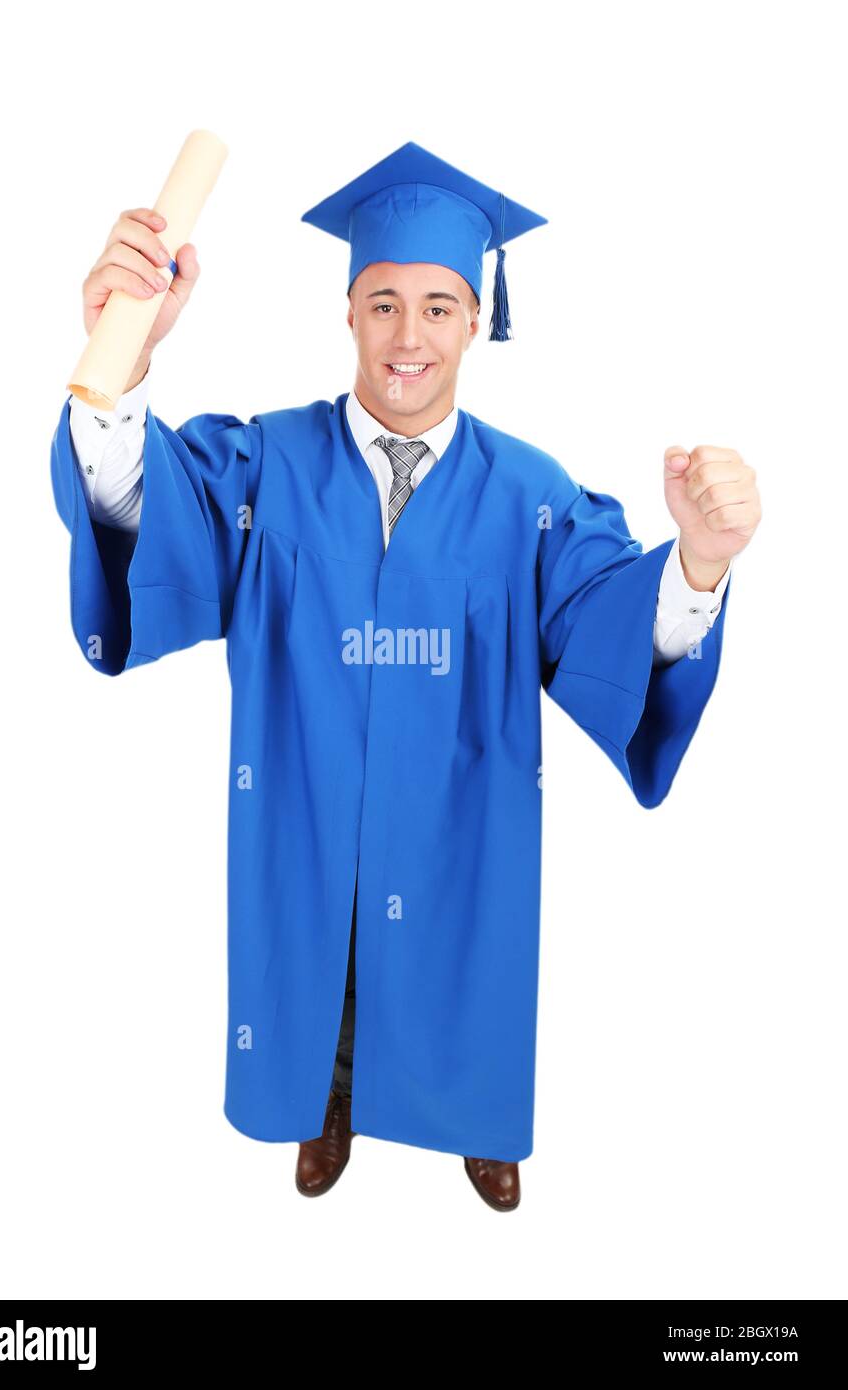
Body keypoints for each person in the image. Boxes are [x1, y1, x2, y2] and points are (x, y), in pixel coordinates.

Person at [51, 142, 761, 1213]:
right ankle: (325, 1107)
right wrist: (120, 368)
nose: (409, 334)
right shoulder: (265, 464)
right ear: (347, 313)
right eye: (384, 303)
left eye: (438, 305)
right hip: (307, 805)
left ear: (476, 319)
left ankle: (477, 1122)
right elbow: (153, 518)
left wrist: (699, 561)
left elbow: (610, 620)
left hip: (459, 816)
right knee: (324, 960)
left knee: (461, 952)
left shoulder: (532, 494)